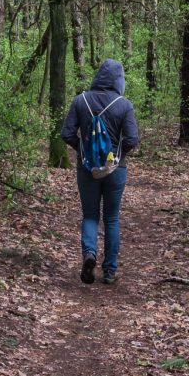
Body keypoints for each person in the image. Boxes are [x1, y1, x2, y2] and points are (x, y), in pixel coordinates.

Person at [61, 59, 139, 285]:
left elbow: (66, 134)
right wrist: (118, 155)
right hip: (116, 170)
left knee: (90, 215)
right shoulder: (124, 105)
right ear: (118, 79)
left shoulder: (80, 100)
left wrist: (83, 151)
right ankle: (109, 271)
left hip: (87, 169)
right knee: (112, 218)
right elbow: (132, 139)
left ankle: (89, 254)